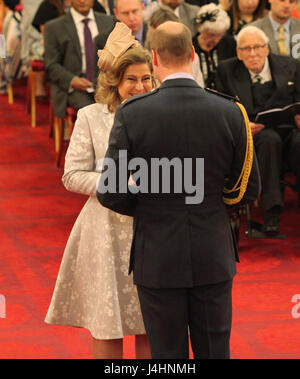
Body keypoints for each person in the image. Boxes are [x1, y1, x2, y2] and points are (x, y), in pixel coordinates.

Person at [97, 21, 260, 359]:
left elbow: (110, 191)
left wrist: (151, 205)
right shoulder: (230, 110)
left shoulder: (133, 113)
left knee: (166, 357)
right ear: (192, 54)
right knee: (215, 352)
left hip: (157, 253)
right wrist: (211, 201)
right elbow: (248, 188)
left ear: (154, 57)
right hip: (212, 250)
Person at [45, 23, 154, 359]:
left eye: (146, 78)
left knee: (152, 320)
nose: (139, 86)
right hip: (105, 228)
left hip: (153, 227)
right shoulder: (91, 116)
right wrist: (122, 183)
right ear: (115, 81)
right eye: (131, 79)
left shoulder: (162, 114)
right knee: (109, 322)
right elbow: (72, 175)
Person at [216, 25, 300, 236]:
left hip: (288, 128)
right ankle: (272, 213)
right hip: (253, 133)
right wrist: (243, 125)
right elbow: (220, 106)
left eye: (257, 47)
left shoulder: (290, 65)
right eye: (246, 49)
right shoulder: (226, 70)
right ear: (238, 52)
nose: (253, 54)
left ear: (266, 48)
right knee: (269, 140)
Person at [44, 0, 115, 118]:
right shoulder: (54, 27)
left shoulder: (108, 21)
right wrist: (73, 81)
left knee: (120, 110)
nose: (82, 1)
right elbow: (51, 65)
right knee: (93, 114)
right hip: (77, 87)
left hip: (106, 84)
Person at [145, 7, 204, 86]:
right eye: (162, 32)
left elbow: (200, 86)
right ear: (152, 31)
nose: (167, 37)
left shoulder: (193, 58)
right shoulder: (144, 59)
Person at [193, 3, 236, 88]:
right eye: (211, 35)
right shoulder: (191, 47)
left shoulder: (230, 44)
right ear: (199, 28)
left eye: (220, 35)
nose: (216, 40)